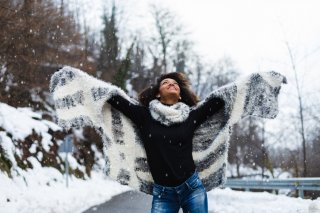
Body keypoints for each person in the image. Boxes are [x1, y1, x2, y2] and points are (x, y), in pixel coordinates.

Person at [106, 72, 225, 213]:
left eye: (175, 84)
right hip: (163, 195)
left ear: (180, 95)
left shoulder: (190, 116)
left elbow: (220, 100)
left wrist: (245, 87)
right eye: (165, 82)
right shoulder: (145, 116)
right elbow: (115, 99)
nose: (171, 84)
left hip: (192, 188)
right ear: (157, 94)